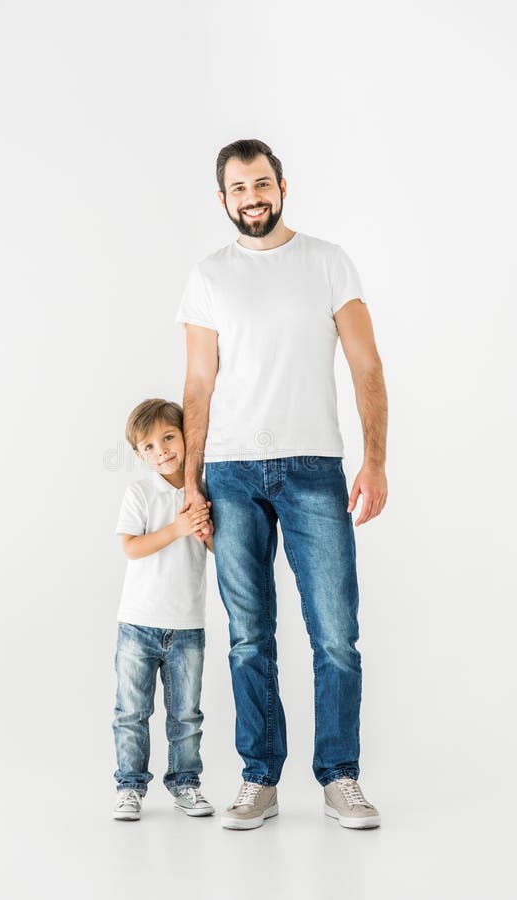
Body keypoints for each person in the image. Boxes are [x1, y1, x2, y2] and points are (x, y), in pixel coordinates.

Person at [175, 139, 388, 830]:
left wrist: (375, 460)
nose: (252, 198)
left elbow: (366, 364)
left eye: (261, 183)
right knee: (248, 636)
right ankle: (259, 778)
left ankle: (340, 776)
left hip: (314, 467)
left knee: (335, 635)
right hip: (230, 472)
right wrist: (190, 483)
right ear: (223, 199)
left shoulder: (328, 261)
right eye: (239, 189)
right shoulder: (209, 276)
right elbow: (198, 384)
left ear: (282, 185)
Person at [111, 398, 215, 821]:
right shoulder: (140, 493)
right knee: (131, 712)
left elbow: (217, 548)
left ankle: (186, 784)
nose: (162, 451)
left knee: (186, 715)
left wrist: (204, 527)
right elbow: (131, 547)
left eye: (169, 437)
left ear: (187, 437)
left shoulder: (204, 490)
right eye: (149, 447)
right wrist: (177, 527)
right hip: (138, 622)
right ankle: (129, 787)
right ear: (139, 455)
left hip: (187, 624)